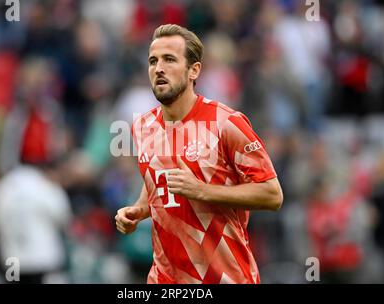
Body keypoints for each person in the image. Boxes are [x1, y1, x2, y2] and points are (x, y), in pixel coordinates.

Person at [115, 24, 283, 284]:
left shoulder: (226, 123)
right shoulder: (142, 126)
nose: (158, 68)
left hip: (225, 277)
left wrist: (203, 190)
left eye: (169, 59)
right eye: (153, 61)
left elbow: (272, 194)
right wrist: (138, 210)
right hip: (165, 279)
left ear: (194, 70)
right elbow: (158, 183)